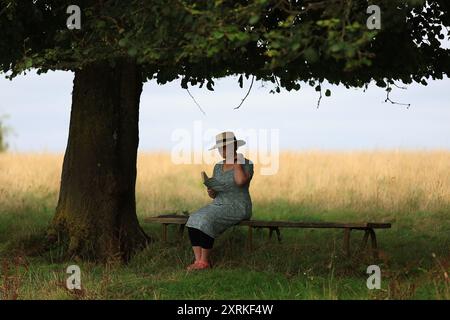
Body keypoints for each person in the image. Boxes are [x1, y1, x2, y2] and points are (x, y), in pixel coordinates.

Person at [185, 131, 254, 271]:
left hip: (238, 205)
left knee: (206, 219)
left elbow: (241, 181)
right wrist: (212, 191)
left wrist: (236, 163)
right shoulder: (218, 166)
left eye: (225, 147)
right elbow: (215, 194)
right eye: (220, 148)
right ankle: (198, 260)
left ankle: (204, 262)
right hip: (218, 204)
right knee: (193, 218)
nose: (222, 151)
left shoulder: (246, 163)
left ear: (234, 146)